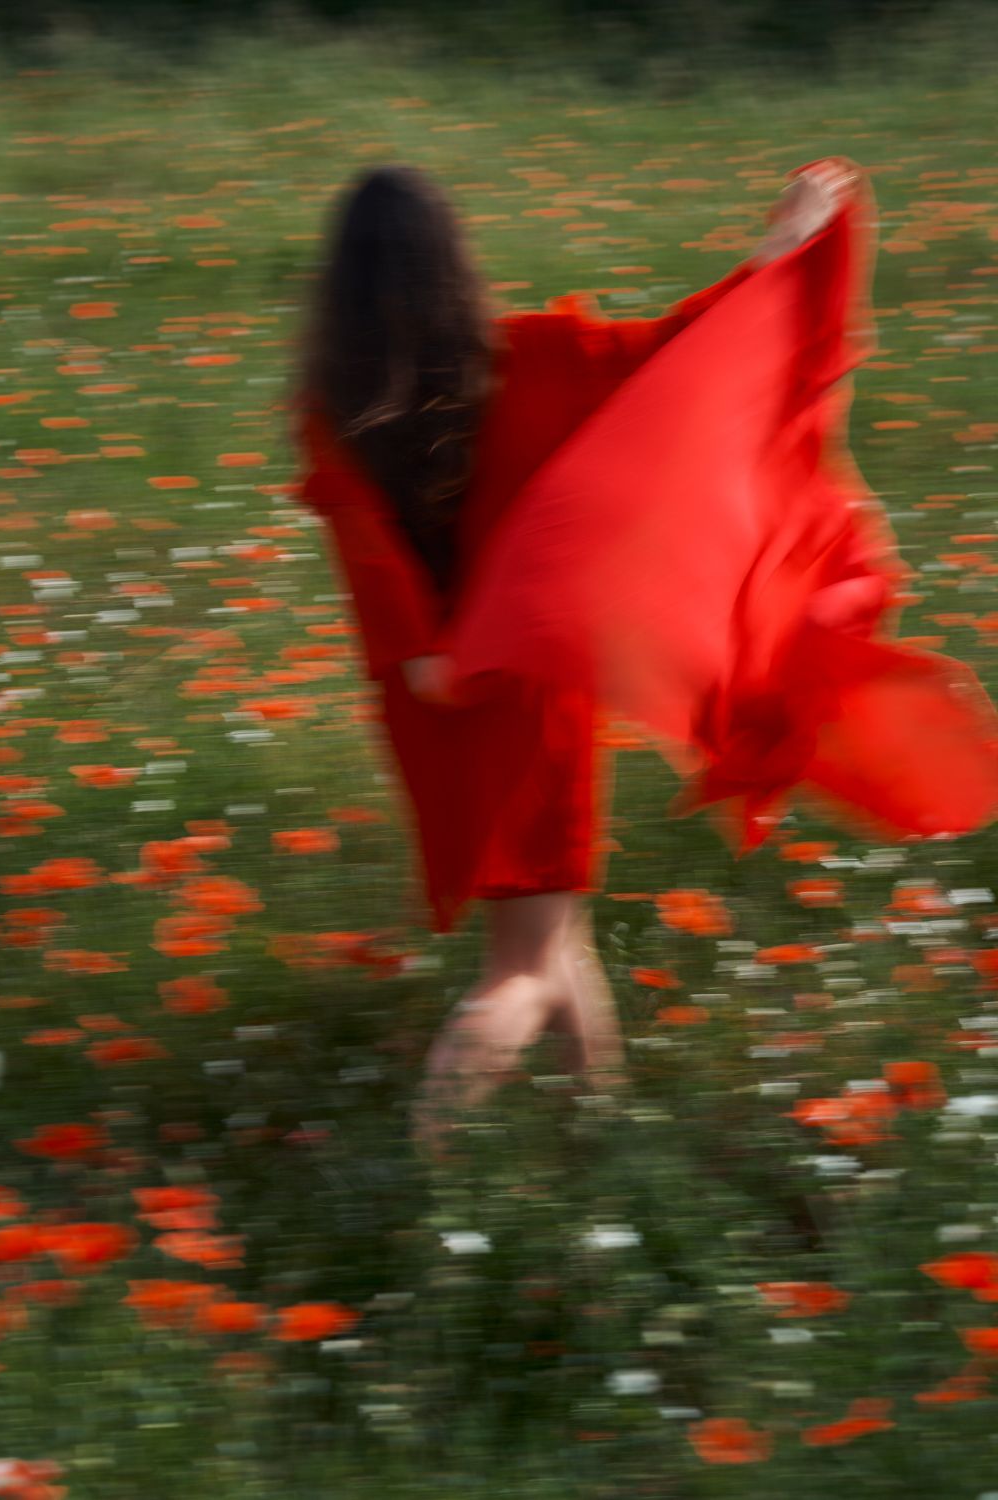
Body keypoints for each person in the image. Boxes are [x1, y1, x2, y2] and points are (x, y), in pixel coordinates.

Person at [287, 159, 983, 1159]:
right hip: (525, 696)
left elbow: (398, 616)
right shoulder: (531, 360)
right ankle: (427, 1173)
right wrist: (782, 249)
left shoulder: (329, 414)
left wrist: (437, 655)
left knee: (550, 936)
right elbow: (677, 361)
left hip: (428, 721)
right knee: (520, 971)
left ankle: (598, 1139)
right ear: (453, 264)